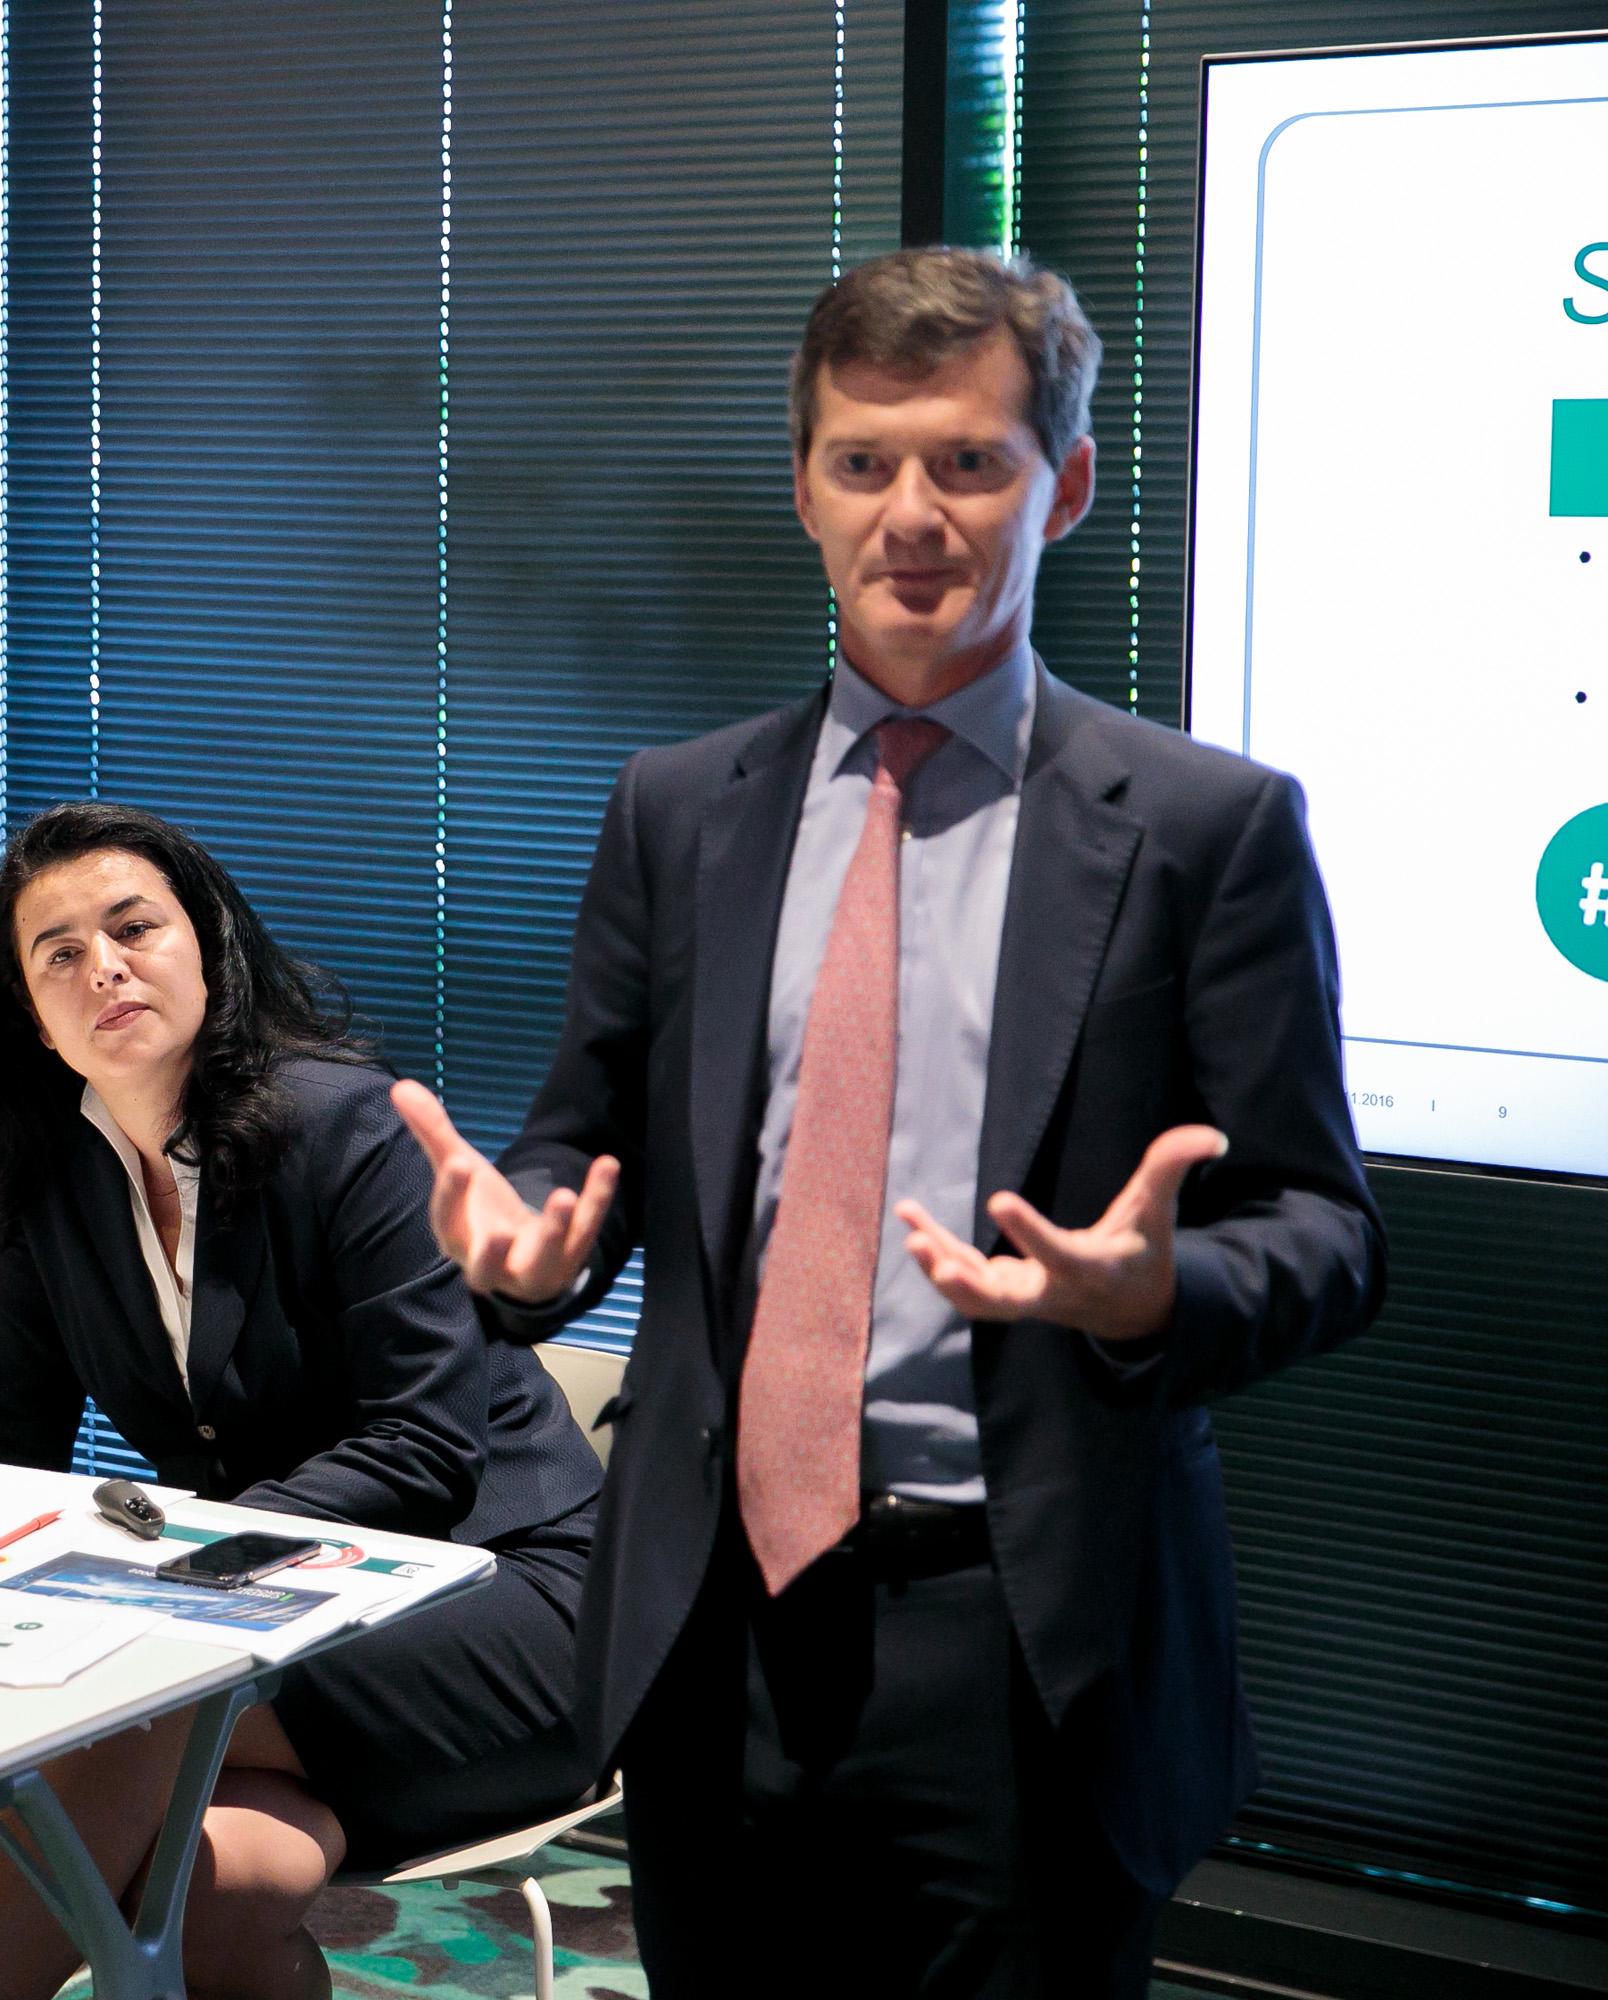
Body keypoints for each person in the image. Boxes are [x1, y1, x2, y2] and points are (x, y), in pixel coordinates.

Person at [392, 248, 1386, 1996]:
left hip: (1023, 1637)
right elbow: (579, 1149)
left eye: (969, 463)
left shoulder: (1202, 830)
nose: (911, 514)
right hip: (715, 1627)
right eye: (863, 463)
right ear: (806, 489)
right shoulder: (681, 811)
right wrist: (527, 1252)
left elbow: (1329, 1233)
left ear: (1061, 487)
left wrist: (1152, 1293)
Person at [0, 801, 603, 2000]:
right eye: (60, 952)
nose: (105, 967)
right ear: (30, 1013)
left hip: (506, 1592)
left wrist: (177, 1565)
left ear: (208, 947)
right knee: (213, 1895)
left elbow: (423, 1445)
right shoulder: (47, 1182)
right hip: (277, 1620)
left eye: (134, 927)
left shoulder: (345, 1125)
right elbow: (0, 1450)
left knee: (127, 1699)